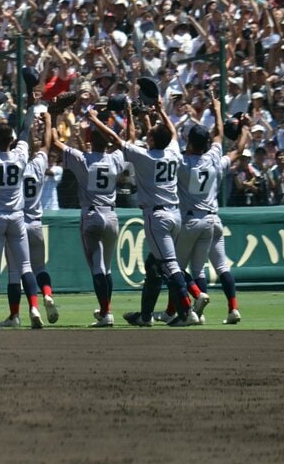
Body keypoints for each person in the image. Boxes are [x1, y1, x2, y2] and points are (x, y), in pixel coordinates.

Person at [106, 103, 200, 327]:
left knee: (170, 265)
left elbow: (117, 141)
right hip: (176, 215)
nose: (146, 134)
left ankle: (188, 311)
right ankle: (147, 316)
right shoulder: (173, 152)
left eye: (148, 133)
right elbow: (172, 133)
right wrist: (160, 110)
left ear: (152, 140)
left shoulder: (145, 157)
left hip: (157, 217)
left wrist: (95, 119)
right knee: (159, 265)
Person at [47, 106, 129, 327]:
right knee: (108, 268)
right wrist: (128, 114)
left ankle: (106, 312)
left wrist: (54, 115)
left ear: (90, 140)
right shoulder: (115, 159)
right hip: (111, 215)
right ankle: (105, 311)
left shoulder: (82, 158)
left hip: (91, 215)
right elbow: (128, 139)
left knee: (97, 268)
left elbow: (54, 143)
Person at [0, 115, 45, 330]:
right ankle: (33, 308)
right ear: (11, 140)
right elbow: (24, 132)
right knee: (25, 266)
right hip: (17, 217)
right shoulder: (20, 156)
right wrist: (30, 107)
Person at [177, 111, 250, 326]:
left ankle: (198, 300)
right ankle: (233, 308)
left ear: (190, 142)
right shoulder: (214, 159)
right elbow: (236, 148)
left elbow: (215, 136)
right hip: (213, 220)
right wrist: (243, 127)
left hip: (191, 220)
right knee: (220, 267)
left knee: (176, 269)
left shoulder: (182, 162)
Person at [21, 105, 59, 324]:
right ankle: (47, 294)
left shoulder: (13, 165)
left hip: (18, 224)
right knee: (40, 268)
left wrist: (27, 123)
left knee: (23, 270)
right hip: (36, 223)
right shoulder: (38, 164)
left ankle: (33, 308)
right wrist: (48, 120)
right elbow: (46, 143)